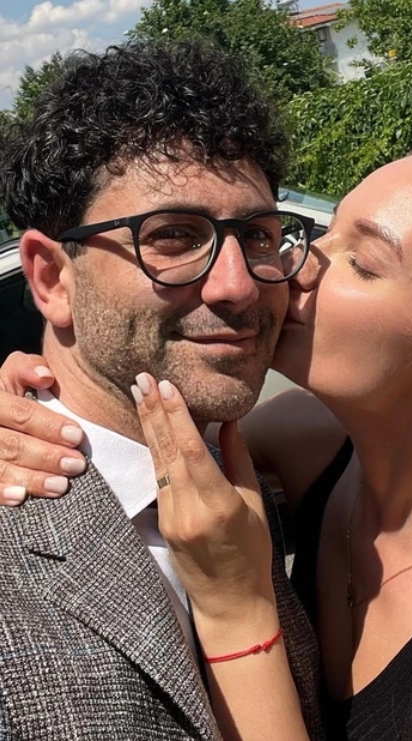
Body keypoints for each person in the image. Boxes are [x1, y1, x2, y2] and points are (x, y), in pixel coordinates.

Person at [2, 128, 412, 741]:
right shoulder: (308, 441)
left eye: (360, 263)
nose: (289, 267)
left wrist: (237, 611)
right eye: (317, 234)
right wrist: (26, 399)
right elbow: (131, 436)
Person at [0, 41, 323, 741]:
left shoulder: (246, 477)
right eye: (174, 235)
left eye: (258, 235)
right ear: (52, 278)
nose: (238, 286)